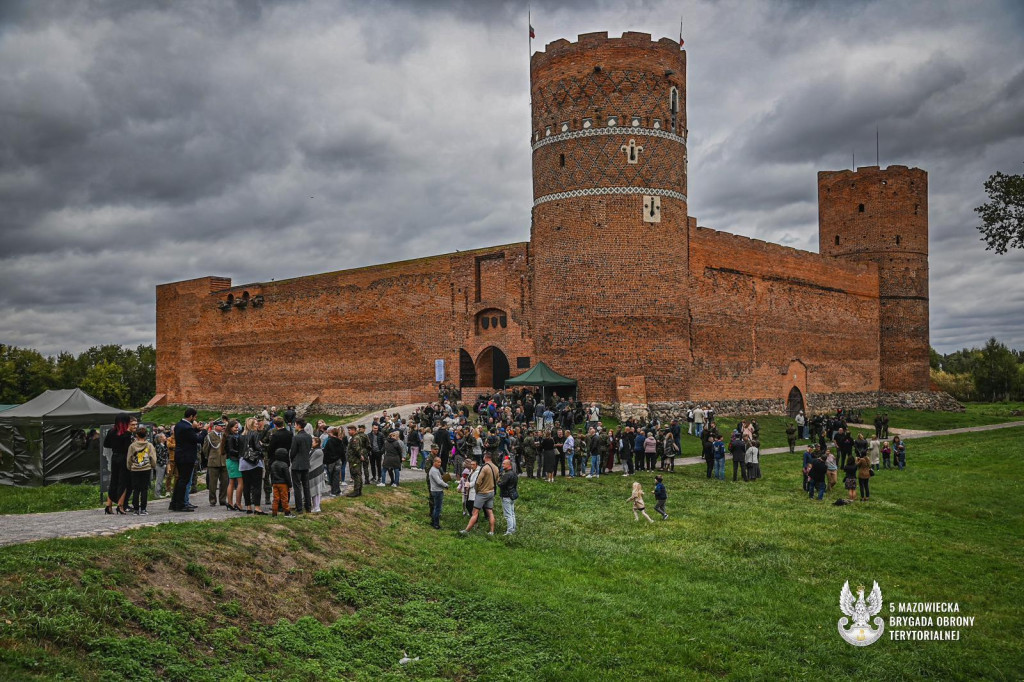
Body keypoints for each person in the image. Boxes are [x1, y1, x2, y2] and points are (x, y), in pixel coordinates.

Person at [171, 408, 206, 512]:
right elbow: (197, 439)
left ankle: (175, 502)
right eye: (195, 417)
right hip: (187, 457)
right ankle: (181, 504)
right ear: (191, 416)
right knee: (184, 481)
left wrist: (196, 429)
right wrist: (204, 430)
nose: (195, 419)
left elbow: (187, 437)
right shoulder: (187, 427)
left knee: (180, 480)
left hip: (180, 456)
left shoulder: (179, 425)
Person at [103, 413, 134, 514]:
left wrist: (115, 445)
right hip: (123, 458)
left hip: (114, 457)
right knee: (123, 482)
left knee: (113, 481)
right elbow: (127, 448)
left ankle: (109, 505)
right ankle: (120, 505)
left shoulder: (111, 431)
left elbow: (106, 444)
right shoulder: (126, 433)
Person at [461, 452, 499, 535]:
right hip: (491, 492)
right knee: (490, 512)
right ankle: (491, 531)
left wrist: (477, 490)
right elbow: (497, 480)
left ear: (485, 458)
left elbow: (478, 481)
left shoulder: (484, 468)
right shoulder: (496, 467)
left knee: (475, 513)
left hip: (482, 493)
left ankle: (466, 530)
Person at [126, 426, 156, 515]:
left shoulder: (132, 446)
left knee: (136, 489)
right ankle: (143, 508)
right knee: (144, 489)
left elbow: (129, 458)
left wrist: (130, 466)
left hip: (135, 469)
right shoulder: (149, 445)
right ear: (146, 435)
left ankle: (135, 509)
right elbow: (153, 457)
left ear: (137, 435)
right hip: (146, 468)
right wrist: (152, 466)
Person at [239, 417, 265, 515]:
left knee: (246, 485)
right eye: (256, 423)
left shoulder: (241, 435)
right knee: (257, 485)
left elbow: (240, 450)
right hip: (253, 462)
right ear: (252, 425)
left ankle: (248, 507)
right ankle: (257, 508)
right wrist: (262, 446)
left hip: (243, 462)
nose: (257, 424)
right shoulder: (255, 433)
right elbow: (257, 447)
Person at [289, 418, 313, 514]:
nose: (295, 426)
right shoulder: (309, 437)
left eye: (295, 424)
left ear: (298, 425)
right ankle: (308, 507)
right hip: (306, 463)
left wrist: (292, 460)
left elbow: (293, 451)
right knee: (306, 486)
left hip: (297, 464)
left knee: (297, 487)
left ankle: (299, 508)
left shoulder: (296, 437)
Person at [203, 420, 228, 507]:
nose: (223, 427)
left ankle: (223, 499)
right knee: (212, 483)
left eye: (223, 426)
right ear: (215, 426)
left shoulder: (224, 435)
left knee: (224, 482)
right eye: (221, 426)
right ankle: (212, 500)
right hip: (213, 462)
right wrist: (209, 458)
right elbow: (205, 449)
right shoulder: (210, 436)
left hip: (224, 461)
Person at [223, 420, 245, 512]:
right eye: (235, 427)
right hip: (233, 460)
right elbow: (231, 450)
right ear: (230, 428)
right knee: (240, 482)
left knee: (231, 482)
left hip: (230, 460)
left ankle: (230, 503)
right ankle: (238, 503)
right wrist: (242, 453)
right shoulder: (230, 437)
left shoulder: (228, 436)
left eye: (238, 427)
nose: (237, 428)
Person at [269, 447, 294, 517]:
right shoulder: (284, 464)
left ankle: (274, 513)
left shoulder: (273, 464)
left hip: (275, 483)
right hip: (283, 484)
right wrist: (290, 485)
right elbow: (287, 476)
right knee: (284, 499)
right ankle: (287, 513)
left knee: (275, 499)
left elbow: (271, 474)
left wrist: (272, 483)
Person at [345, 424, 367, 498]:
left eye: (350, 430)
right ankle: (358, 491)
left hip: (354, 460)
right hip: (354, 459)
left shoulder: (355, 438)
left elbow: (356, 449)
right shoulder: (354, 437)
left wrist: (360, 456)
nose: (348, 431)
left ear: (354, 430)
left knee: (356, 475)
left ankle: (356, 491)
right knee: (358, 475)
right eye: (348, 430)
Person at [498, 457, 519, 535]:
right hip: (512, 495)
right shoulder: (514, 473)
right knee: (512, 513)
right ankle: (513, 529)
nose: (502, 465)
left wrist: (498, 481)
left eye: (504, 464)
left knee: (508, 515)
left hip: (506, 496)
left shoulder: (507, 475)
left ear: (509, 465)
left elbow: (501, 485)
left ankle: (509, 531)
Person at [322, 427, 346, 496]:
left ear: (332, 433)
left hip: (331, 461)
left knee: (331, 476)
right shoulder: (339, 441)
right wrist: (343, 459)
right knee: (337, 476)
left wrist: (325, 461)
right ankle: (338, 490)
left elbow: (326, 451)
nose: (328, 434)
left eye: (329, 432)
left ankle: (333, 491)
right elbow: (342, 451)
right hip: (338, 460)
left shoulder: (329, 441)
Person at [308, 436, 329, 513]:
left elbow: (312, 462)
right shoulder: (314, 450)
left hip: (316, 473)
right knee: (314, 490)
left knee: (316, 490)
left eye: (312, 442)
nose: (311, 443)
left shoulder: (318, 451)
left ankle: (317, 507)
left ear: (317, 443)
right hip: (315, 473)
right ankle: (315, 506)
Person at [428, 456, 449, 529]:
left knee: (435, 507)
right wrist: (446, 485)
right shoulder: (433, 470)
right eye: (438, 462)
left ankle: (433, 521)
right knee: (437, 508)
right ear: (434, 462)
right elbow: (438, 481)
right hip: (437, 491)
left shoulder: (436, 470)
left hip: (436, 490)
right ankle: (436, 524)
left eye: (440, 462)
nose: (440, 464)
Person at [153, 432, 169, 499]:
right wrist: (163, 464)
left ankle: (158, 493)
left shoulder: (162, 445)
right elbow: (159, 456)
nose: (165, 437)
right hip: (160, 465)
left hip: (162, 464)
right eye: (164, 436)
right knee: (159, 480)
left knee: (161, 479)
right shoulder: (159, 446)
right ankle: (157, 494)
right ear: (161, 438)